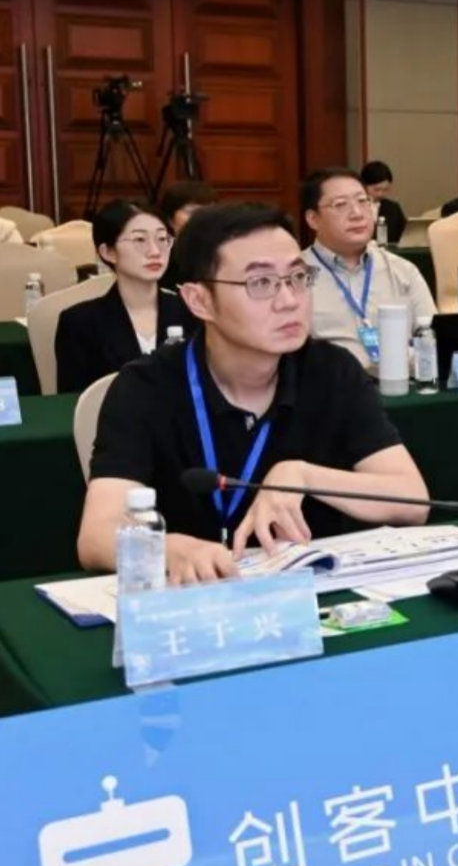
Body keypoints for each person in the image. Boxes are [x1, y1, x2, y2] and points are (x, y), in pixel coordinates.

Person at [77, 203, 430, 582]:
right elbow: (96, 535)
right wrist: (175, 549)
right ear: (199, 300)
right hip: (196, 599)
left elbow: (412, 500)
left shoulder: (330, 370)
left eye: (298, 277)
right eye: (260, 283)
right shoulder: (146, 387)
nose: (289, 300)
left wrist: (303, 476)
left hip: (311, 593)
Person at [301, 168, 436, 369]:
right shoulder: (293, 277)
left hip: (401, 379)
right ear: (313, 219)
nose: (357, 213)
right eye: (340, 205)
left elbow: (433, 338)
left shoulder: (403, 271)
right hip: (331, 384)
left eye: (363, 201)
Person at [55, 200, 194, 393]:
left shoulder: (192, 312)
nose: (155, 251)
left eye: (162, 239)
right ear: (108, 252)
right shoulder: (79, 323)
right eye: (140, 240)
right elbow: (73, 402)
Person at [159, 180, 219, 290]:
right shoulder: (160, 256)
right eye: (192, 212)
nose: (201, 218)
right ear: (170, 219)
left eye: (208, 212)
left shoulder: (222, 253)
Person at [359, 160, 407, 244]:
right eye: (376, 189)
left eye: (385, 190)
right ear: (363, 185)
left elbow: (405, 236)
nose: (381, 194)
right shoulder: (355, 207)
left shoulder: (393, 208)